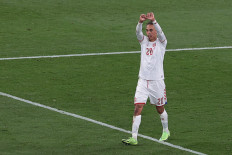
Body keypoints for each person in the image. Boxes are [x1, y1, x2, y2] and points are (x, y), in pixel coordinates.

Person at [122, 12, 169, 145]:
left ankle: (166, 130)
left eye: (151, 30)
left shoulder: (162, 43)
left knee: (160, 109)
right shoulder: (144, 42)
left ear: (155, 31)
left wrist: (154, 21)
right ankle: (134, 138)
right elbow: (137, 33)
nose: (148, 33)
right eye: (147, 30)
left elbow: (161, 33)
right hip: (142, 81)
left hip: (157, 82)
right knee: (138, 107)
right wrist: (140, 22)